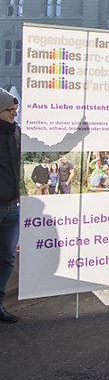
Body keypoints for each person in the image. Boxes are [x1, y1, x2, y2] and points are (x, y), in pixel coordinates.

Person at [0, 88, 21, 323]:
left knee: (7, 258)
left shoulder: (16, 133)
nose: (14, 114)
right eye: (11, 110)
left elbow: (41, 147)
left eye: (16, 110)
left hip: (12, 208)